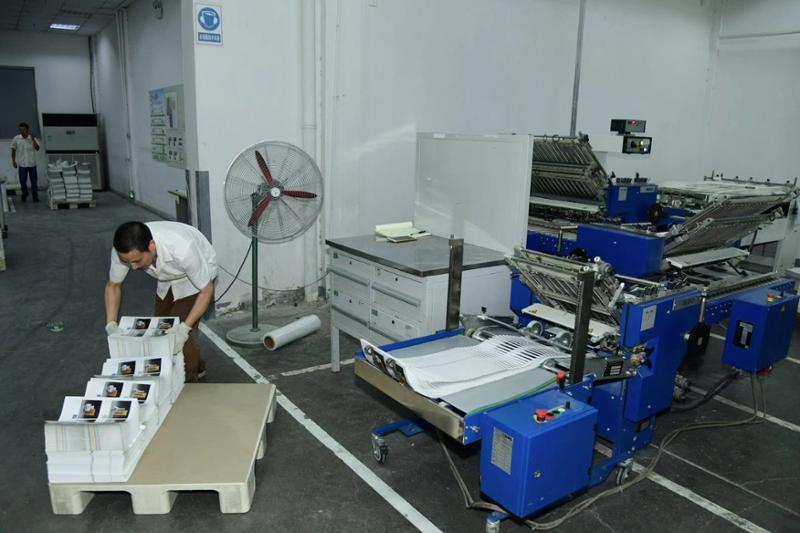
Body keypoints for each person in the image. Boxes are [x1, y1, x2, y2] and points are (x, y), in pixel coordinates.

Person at [105, 221, 217, 382]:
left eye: (137, 261)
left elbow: (207, 290)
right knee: (161, 329)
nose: (133, 268)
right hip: (166, 277)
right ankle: (198, 366)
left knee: (179, 336)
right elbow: (113, 286)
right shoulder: (123, 252)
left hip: (196, 278)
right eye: (127, 262)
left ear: (151, 246)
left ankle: (188, 384)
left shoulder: (183, 248)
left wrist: (184, 328)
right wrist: (111, 324)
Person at [10, 122, 40, 203]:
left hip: (32, 164)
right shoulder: (16, 138)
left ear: (27, 130)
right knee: (22, 181)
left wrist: (33, 139)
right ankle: (25, 193)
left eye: (24, 130)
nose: (22, 131)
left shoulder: (32, 138)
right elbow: (13, 150)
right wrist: (13, 161)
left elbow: (37, 148)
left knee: (34, 182)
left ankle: (35, 196)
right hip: (22, 165)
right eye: (20, 130)